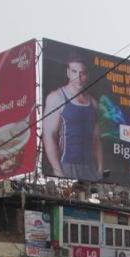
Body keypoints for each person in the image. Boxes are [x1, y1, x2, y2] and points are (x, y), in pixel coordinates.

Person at [42, 53, 103, 181]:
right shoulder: (57, 97)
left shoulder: (93, 103)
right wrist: (57, 171)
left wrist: (100, 169)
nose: (79, 77)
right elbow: (49, 135)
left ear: (87, 75)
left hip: (90, 168)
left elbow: (96, 139)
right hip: (67, 166)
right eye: (74, 72)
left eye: (82, 73)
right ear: (68, 72)